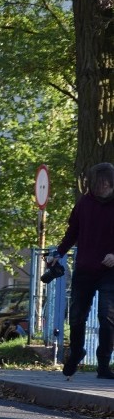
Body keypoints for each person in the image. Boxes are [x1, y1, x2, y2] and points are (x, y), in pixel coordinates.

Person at [54, 162, 114, 379]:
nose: (100, 189)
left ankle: (103, 364)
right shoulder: (85, 203)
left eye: (105, 185)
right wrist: (59, 252)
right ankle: (77, 351)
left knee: (106, 316)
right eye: (96, 185)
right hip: (85, 267)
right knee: (77, 315)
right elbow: (73, 231)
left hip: (110, 271)